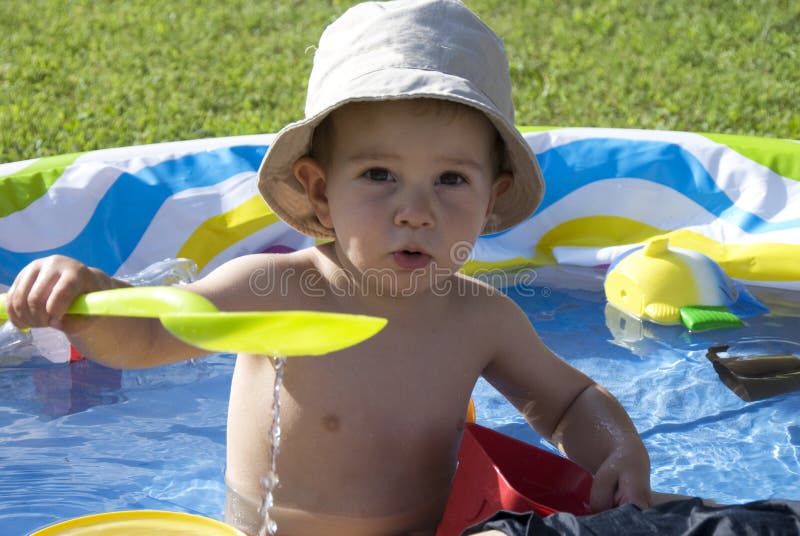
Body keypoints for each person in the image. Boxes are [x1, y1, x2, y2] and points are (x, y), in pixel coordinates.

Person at [3, 1, 652, 534]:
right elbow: (147, 339)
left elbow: (570, 401)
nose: (416, 211)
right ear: (319, 192)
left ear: (492, 200)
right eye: (379, 175)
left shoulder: (482, 319)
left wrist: (617, 452)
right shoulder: (274, 290)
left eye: (451, 179)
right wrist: (87, 302)